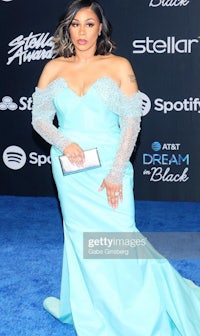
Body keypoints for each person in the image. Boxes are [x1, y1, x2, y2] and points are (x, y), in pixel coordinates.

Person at [32, 0, 200, 335]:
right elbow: (39, 120)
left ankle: (139, 309)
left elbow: (131, 124)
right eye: (75, 24)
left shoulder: (119, 65)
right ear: (67, 27)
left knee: (120, 238)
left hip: (111, 163)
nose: (82, 32)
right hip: (70, 169)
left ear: (100, 27)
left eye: (89, 24)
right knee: (81, 240)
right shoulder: (53, 68)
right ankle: (91, 308)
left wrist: (114, 174)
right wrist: (66, 143)